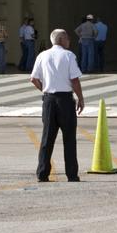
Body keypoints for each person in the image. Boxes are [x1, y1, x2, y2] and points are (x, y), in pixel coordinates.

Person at [29, 28, 84, 182]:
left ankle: (42, 173)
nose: (69, 41)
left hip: (49, 100)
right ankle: (72, 174)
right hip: (65, 100)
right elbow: (74, 80)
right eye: (67, 38)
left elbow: (33, 78)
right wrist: (80, 97)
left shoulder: (42, 55)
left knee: (47, 138)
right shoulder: (68, 55)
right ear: (61, 39)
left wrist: (45, 91)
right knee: (69, 139)